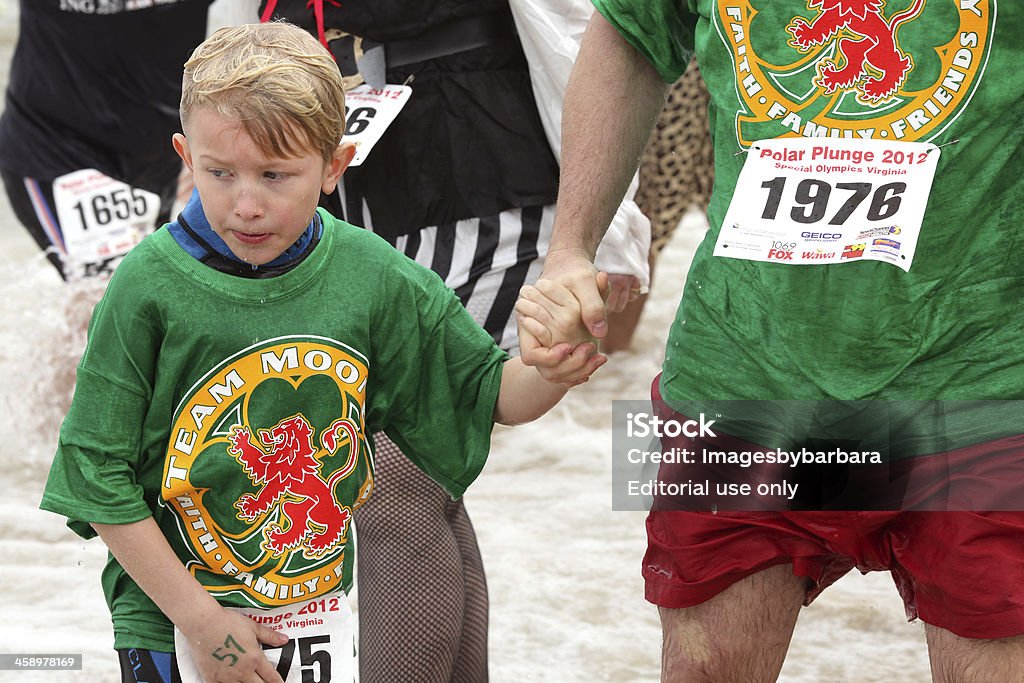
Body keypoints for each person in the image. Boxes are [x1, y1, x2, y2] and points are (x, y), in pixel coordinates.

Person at [38, 22, 603, 683]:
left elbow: (490, 394)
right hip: (173, 616)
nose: (245, 204)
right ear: (184, 156)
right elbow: (97, 480)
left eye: (276, 175)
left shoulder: (370, 274)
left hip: (319, 613)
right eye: (219, 173)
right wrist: (202, 624)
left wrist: (550, 366)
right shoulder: (147, 286)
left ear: (335, 166)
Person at [519, 2, 1024, 681]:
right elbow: (630, 34)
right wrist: (571, 250)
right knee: (705, 668)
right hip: (744, 364)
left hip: (985, 375)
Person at [258, 3, 649, 680]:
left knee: (382, 477)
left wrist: (601, 234)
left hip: (487, 189)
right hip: (350, 207)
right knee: (414, 485)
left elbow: (584, 35)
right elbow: (236, 44)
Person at [0, 0, 215, 281]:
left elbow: (262, 28)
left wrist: (216, 150)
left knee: (150, 294)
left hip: (163, 154)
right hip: (53, 143)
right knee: (108, 292)